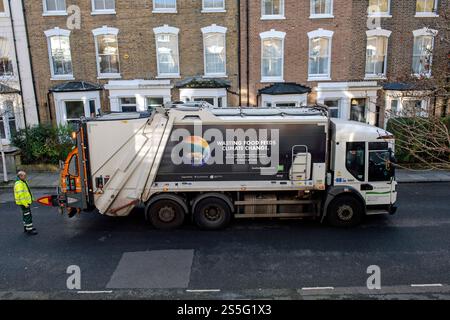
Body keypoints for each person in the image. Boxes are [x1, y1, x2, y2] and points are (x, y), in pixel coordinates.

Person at [14, 171, 38, 235]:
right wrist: (25, 204)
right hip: (24, 203)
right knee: (28, 216)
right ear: (20, 176)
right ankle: (30, 230)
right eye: (24, 176)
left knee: (25, 215)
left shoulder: (23, 182)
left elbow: (27, 191)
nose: (25, 177)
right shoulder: (19, 184)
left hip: (25, 202)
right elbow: (21, 195)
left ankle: (26, 227)